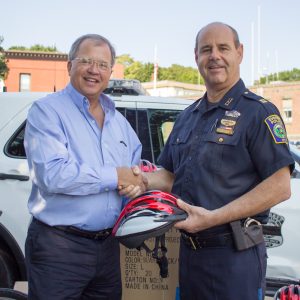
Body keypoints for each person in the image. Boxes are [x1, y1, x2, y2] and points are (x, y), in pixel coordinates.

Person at [120, 22, 295, 300]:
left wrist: (213, 218)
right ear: (196, 57)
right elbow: (169, 175)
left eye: (223, 48)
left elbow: (280, 186)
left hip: (234, 256)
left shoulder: (259, 113)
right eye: (206, 49)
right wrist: (142, 180)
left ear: (239, 53)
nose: (214, 56)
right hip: (190, 255)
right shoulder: (187, 116)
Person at [24, 34, 145, 300]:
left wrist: (135, 185)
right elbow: (53, 175)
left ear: (110, 72)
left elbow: (135, 169)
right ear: (69, 66)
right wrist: (116, 176)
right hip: (59, 247)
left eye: (102, 65)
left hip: (108, 247)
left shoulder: (119, 122)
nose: (94, 70)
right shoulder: (47, 112)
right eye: (86, 61)